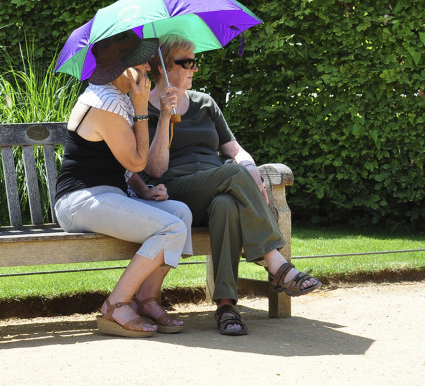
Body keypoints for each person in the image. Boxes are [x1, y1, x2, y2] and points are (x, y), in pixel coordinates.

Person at [137, 33, 320, 336]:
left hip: (220, 188)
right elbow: (155, 169)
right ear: (163, 67)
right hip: (176, 193)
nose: (196, 68)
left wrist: (250, 168)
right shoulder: (145, 109)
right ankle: (275, 262)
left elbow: (235, 150)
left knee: (226, 203)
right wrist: (166, 116)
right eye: (188, 63)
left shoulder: (205, 103)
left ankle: (226, 307)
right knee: (233, 174)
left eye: (196, 61)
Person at [54, 30, 193, 338]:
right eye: (141, 63)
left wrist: (145, 190)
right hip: (80, 202)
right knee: (171, 228)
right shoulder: (104, 103)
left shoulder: (116, 98)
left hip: (106, 197)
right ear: (121, 69)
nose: (148, 67)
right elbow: (137, 162)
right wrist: (142, 108)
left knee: (180, 214)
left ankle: (147, 299)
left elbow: (123, 165)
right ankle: (115, 305)